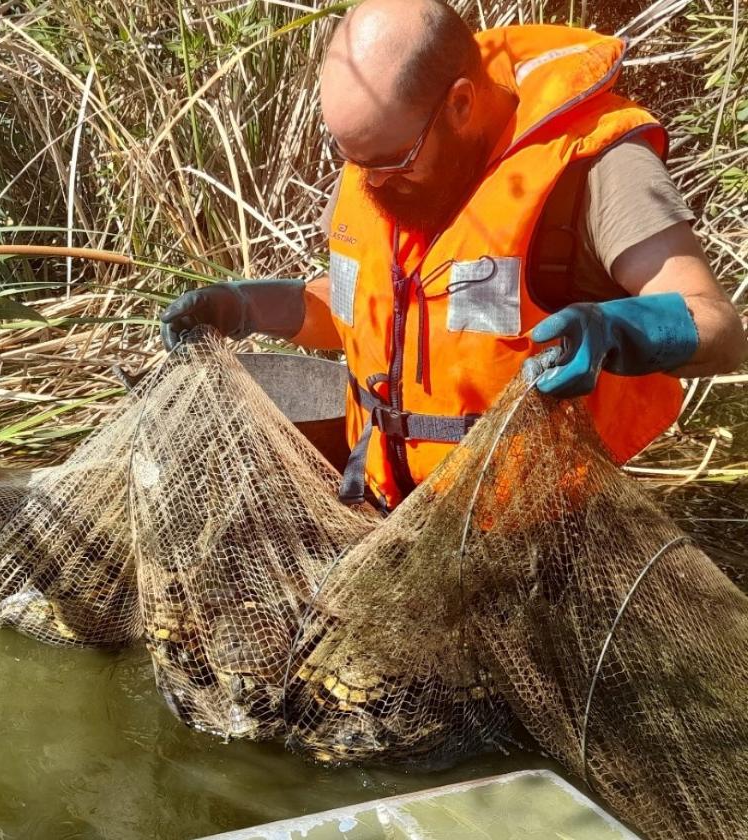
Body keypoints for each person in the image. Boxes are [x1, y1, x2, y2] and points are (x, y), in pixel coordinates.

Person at [159, 0, 746, 512]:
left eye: (392, 159)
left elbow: (719, 326)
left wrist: (619, 330)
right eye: (357, 162)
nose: (373, 185)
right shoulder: (378, 160)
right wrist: (247, 307)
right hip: (385, 514)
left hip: (537, 533)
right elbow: (358, 318)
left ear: (460, 103)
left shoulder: (592, 170)